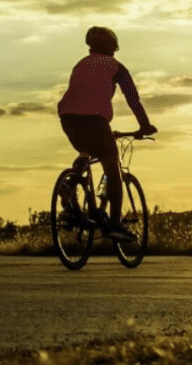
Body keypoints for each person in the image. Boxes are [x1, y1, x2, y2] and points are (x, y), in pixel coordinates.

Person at [57, 26, 156, 241]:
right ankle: (114, 224)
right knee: (112, 167)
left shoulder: (80, 64)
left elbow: (80, 94)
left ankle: (71, 184)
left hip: (67, 118)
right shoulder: (116, 67)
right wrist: (145, 126)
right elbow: (132, 99)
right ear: (113, 46)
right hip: (95, 119)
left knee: (86, 149)